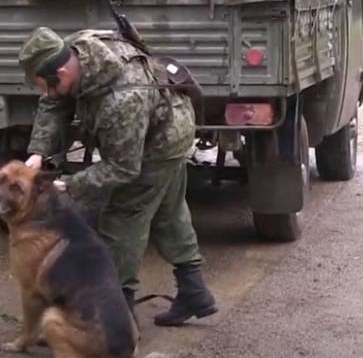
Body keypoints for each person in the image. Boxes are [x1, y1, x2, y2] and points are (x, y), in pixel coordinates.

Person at [17, 26, 217, 327]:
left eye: (46, 85)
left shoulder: (122, 102)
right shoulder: (74, 49)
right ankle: (195, 291)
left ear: (61, 71)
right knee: (169, 213)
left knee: (122, 220)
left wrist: (67, 186)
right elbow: (53, 102)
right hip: (166, 120)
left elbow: (122, 168)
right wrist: (38, 152)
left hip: (160, 143)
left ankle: (115, 314)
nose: (45, 92)